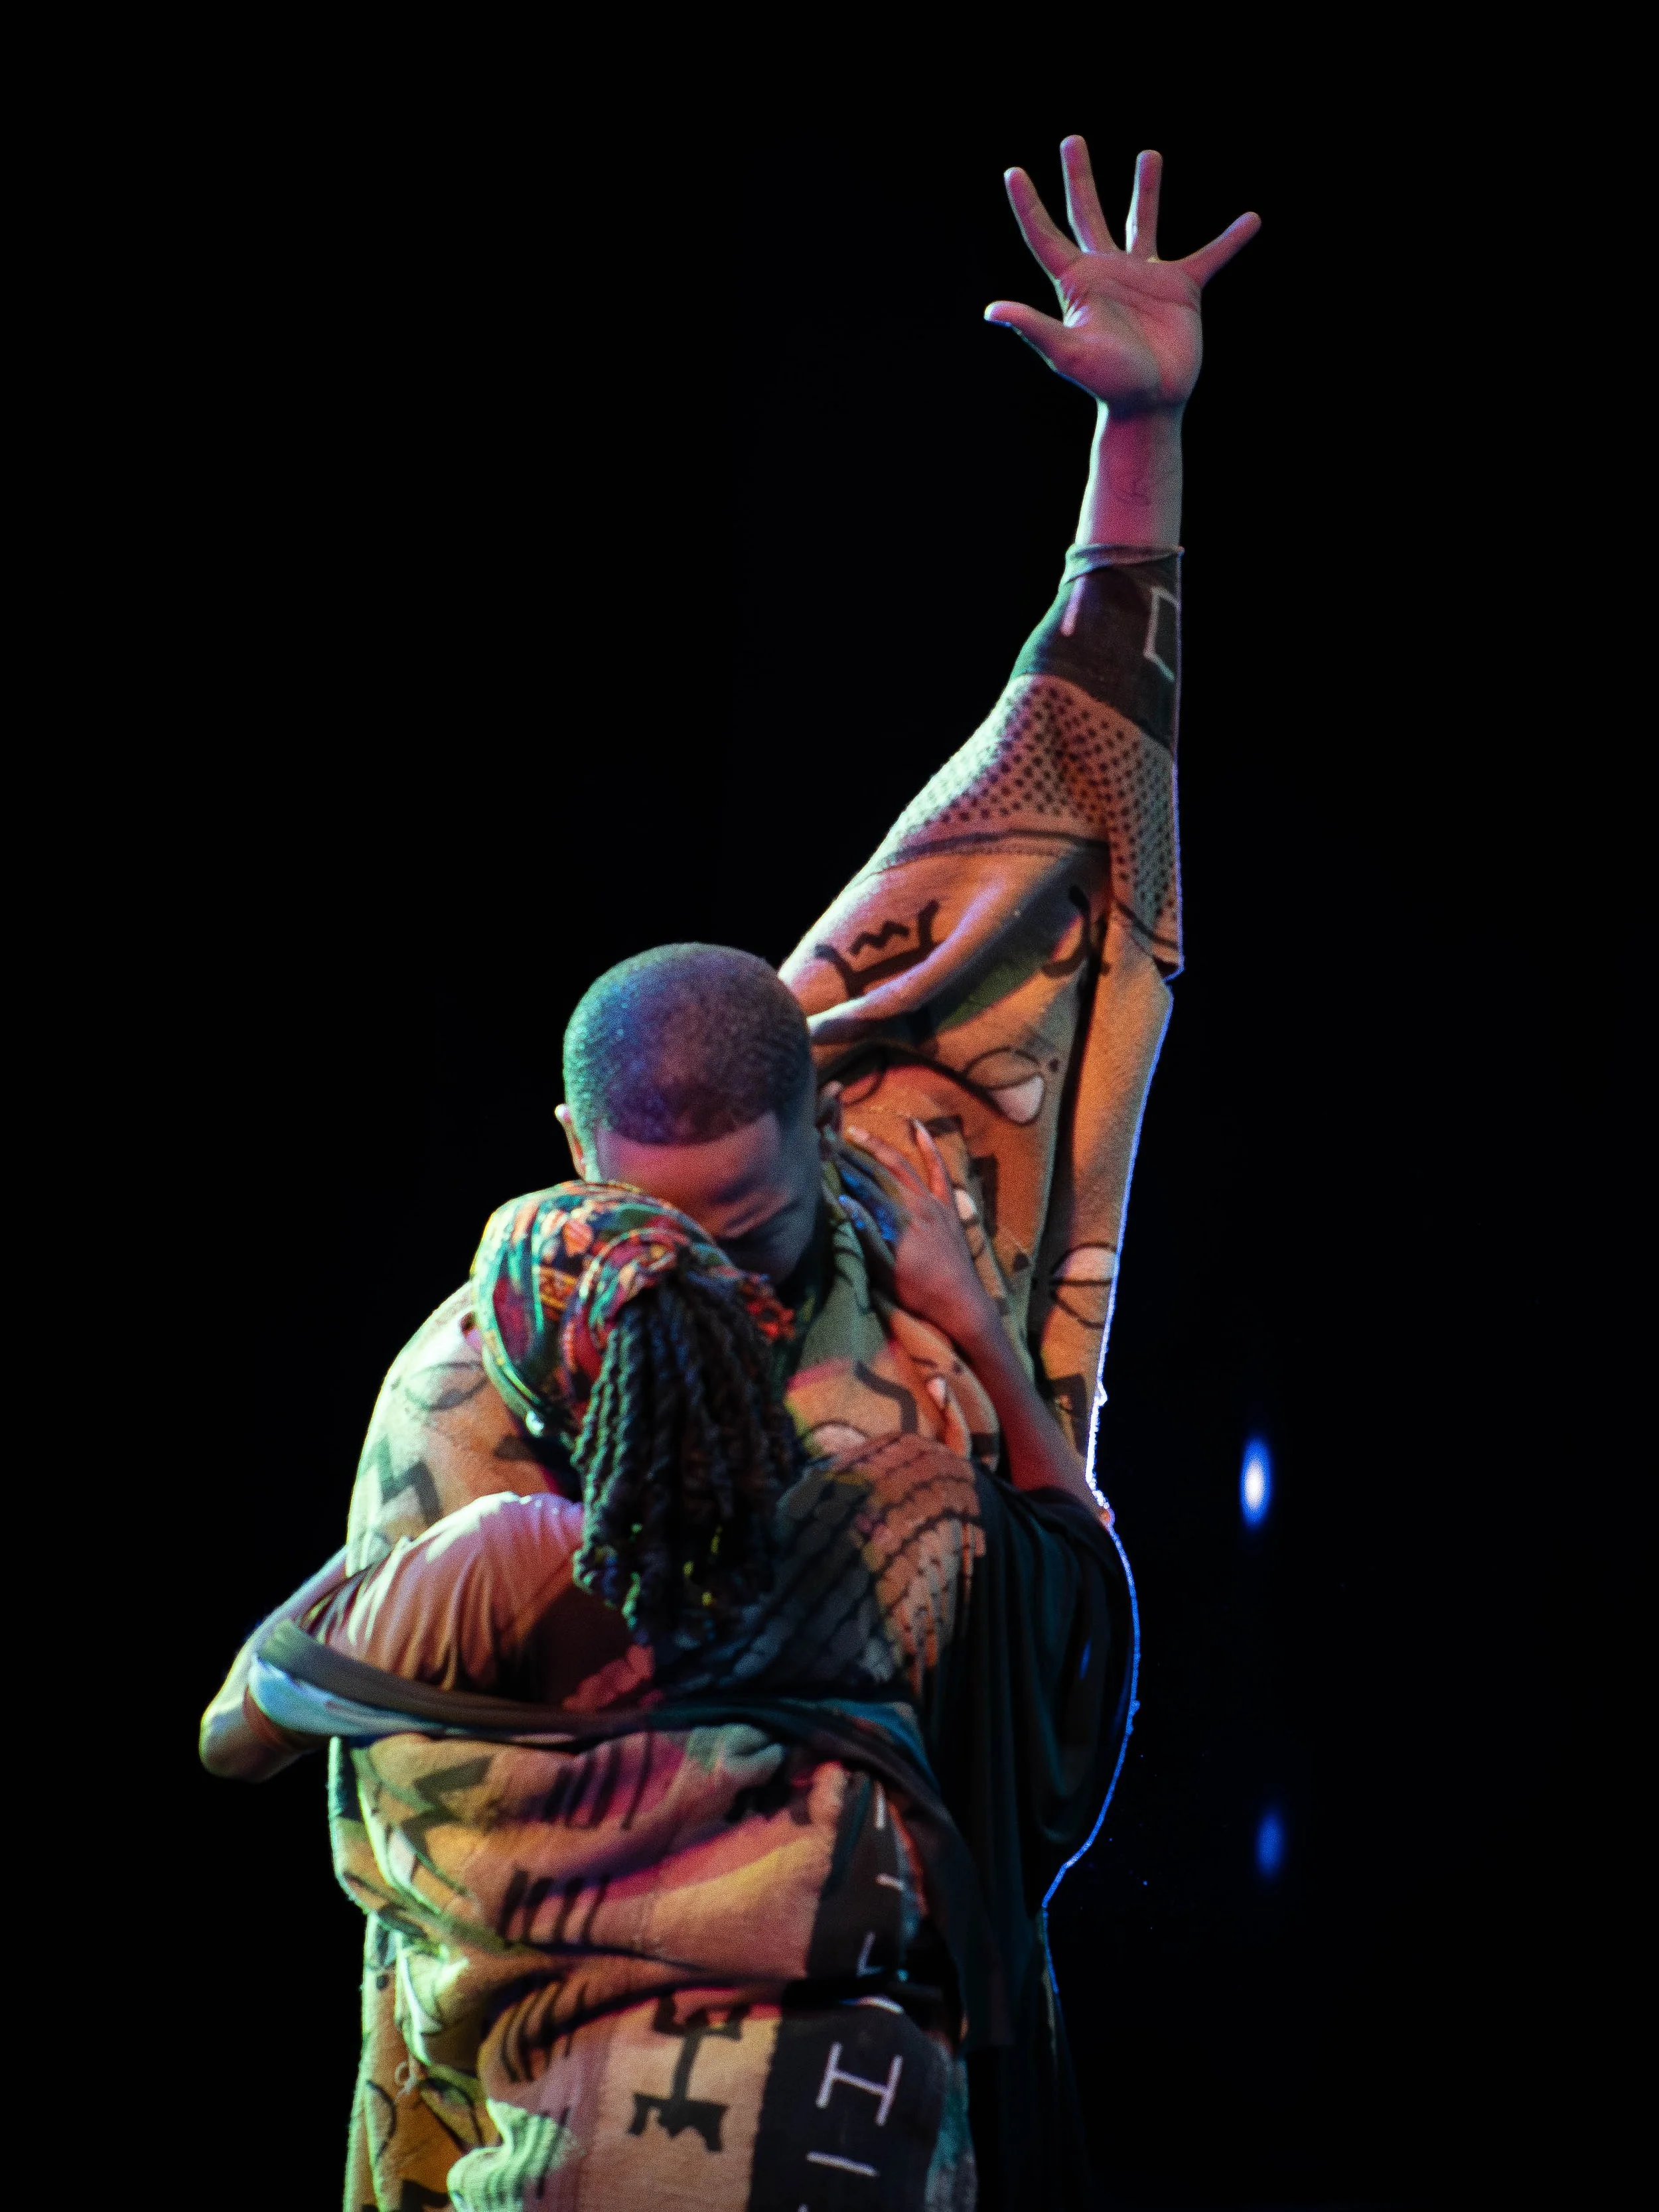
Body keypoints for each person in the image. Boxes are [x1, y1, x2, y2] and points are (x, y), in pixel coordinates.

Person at [201, 135, 1258, 2209]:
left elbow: (1043, 834)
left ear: (817, 1111)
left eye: (749, 1218)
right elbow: (328, 1774)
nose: (704, 1266)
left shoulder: (895, 1208)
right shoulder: (464, 1407)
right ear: (574, 1154)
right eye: (653, 1221)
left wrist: (1138, 444)